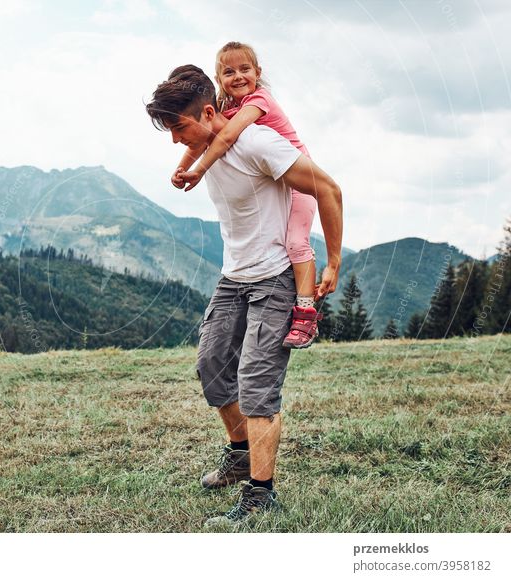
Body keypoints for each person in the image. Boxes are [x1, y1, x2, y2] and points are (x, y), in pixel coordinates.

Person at [145, 65, 342, 527]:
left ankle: (261, 494)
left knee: (256, 384)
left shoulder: (257, 143)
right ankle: (239, 455)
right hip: (233, 278)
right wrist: (184, 167)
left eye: (179, 128)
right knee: (212, 367)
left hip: (275, 278)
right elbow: (189, 153)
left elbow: (329, 189)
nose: (175, 140)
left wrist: (332, 261)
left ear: (210, 113)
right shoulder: (203, 150)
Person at [171, 42, 321, 349]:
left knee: (295, 241)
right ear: (218, 78)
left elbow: (226, 136)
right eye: (228, 72)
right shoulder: (226, 108)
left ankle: (305, 311)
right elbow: (202, 138)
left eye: (245, 69)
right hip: (274, 179)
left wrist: (198, 172)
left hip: (299, 176)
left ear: (258, 73)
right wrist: (181, 167)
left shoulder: (259, 100)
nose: (238, 76)